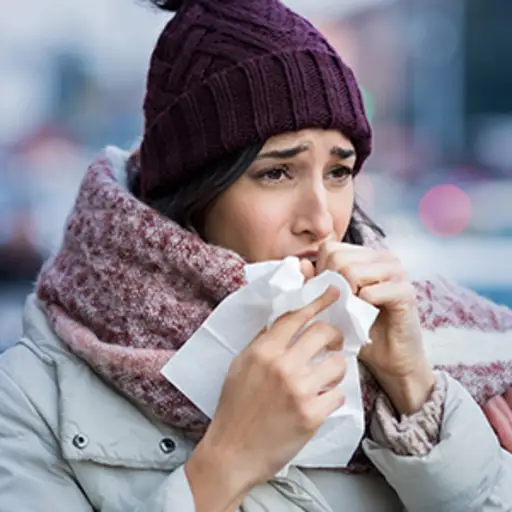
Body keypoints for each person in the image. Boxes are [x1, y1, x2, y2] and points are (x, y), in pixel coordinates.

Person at [1, 0, 512, 510]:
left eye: (338, 172)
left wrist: (411, 388)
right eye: (276, 173)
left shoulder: (456, 355)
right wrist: (226, 463)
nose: (322, 218)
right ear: (193, 193)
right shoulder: (32, 397)